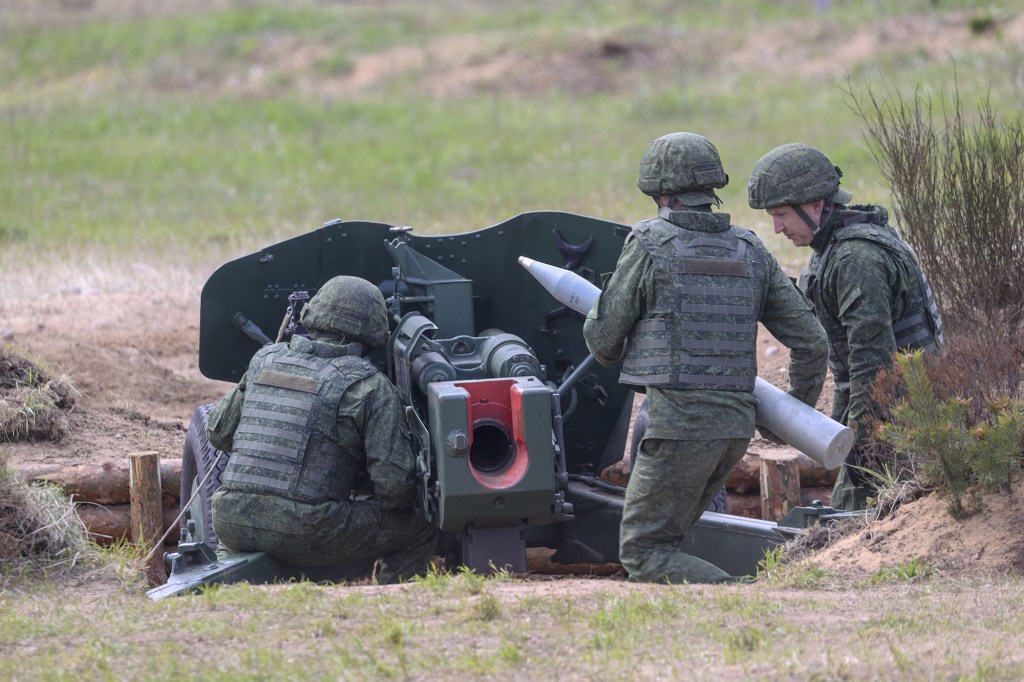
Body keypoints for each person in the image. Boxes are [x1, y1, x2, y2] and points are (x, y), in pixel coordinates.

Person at [583, 132, 828, 584]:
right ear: (711, 188)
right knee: (668, 540)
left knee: (644, 552)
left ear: (661, 193)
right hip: (733, 431)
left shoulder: (649, 242)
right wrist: (793, 410)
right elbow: (812, 342)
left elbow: (603, 343)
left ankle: (740, 596)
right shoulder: (751, 249)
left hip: (677, 428)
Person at [748, 143, 944, 511]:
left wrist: (864, 448)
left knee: (857, 518)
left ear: (815, 205)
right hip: (895, 413)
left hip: (900, 420)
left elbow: (875, 364)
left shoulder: (856, 258)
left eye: (781, 215)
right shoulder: (838, 247)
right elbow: (850, 369)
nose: (777, 228)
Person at [206, 275, 438, 584]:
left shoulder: (265, 359)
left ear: (312, 314)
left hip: (230, 516)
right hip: (307, 530)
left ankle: (228, 590)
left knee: (245, 536)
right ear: (373, 329)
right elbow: (395, 489)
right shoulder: (368, 385)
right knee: (422, 523)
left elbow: (219, 432)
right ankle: (391, 598)